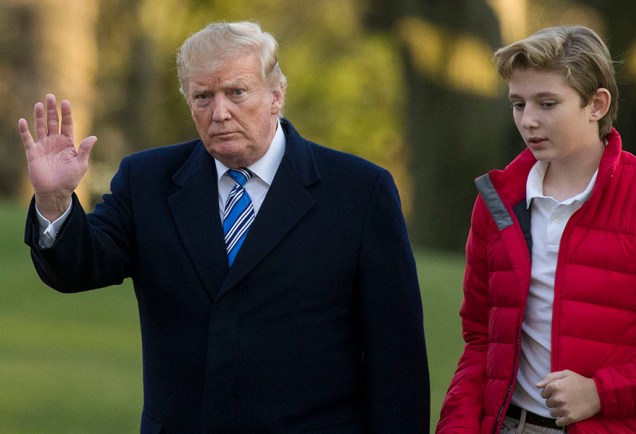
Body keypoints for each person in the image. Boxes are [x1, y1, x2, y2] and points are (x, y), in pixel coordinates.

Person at [19, 21, 429, 433]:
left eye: (236, 92)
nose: (220, 112)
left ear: (276, 95)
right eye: (203, 97)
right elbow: (78, 266)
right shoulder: (147, 181)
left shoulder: (359, 191)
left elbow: (397, 357)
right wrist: (54, 200)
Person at [436, 25, 636, 434]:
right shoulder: (497, 203)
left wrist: (602, 392)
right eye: (518, 104)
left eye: (547, 103)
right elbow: (481, 341)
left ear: (597, 104)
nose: (528, 120)